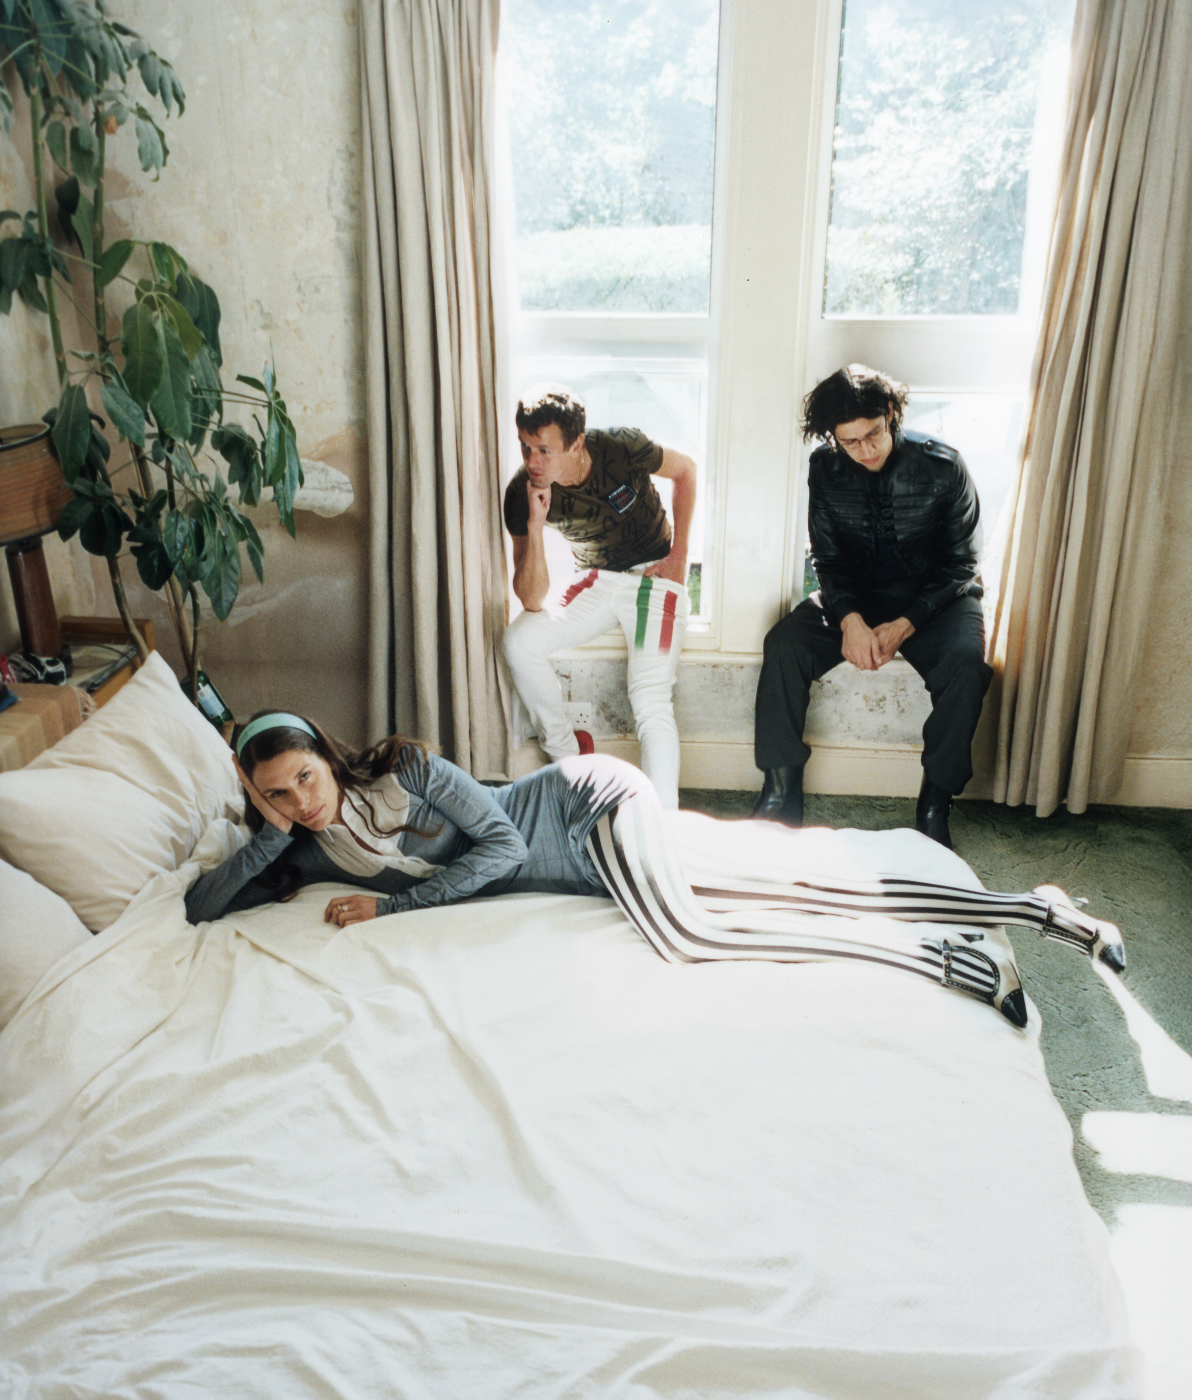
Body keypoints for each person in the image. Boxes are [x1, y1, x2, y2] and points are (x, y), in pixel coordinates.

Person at [184, 710, 1129, 1032]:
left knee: (687, 933)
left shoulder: (406, 769)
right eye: (278, 793)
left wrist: (395, 911)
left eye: (305, 777)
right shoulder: (300, 842)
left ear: (326, 754)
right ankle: (1036, 908)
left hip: (585, 807)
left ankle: (951, 962)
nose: (303, 799)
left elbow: (503, 848)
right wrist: (267, 834)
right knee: (789, 886)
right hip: (588, 870)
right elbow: (200, 907)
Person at [752, 365, 993, 848]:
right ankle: (780, 793)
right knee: (784, 644)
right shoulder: (825, 468)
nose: (866, 450)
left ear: (892, 415)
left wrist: (906, 623)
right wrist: (850, 620)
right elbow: (828, 557)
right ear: (833, 438)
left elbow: (963, 563)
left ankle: (934, 804)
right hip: (857, 596)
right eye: (850, 442)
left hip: (938, 599)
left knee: (967, 666)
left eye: (874, 434)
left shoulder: (944, 466)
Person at [501, 386, 697, 810]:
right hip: (595, 580)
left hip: (654, 577)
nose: (532, 461)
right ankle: (572, 767)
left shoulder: (621, 446)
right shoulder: (522, 490)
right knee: (518, 642)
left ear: (576, 444)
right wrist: (535, 525)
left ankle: (662, 821)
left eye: (544, 450)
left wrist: (680, 554)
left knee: (649, 696)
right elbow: (532, 599)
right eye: (525, 447)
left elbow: (685, 470)